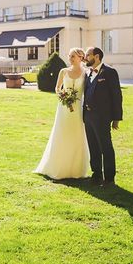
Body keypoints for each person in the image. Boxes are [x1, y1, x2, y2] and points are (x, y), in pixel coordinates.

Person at [34, 48, 90, 179]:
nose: (70, 59)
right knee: (62, 133)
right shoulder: (63, 71)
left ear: (81, 58)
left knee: (77, 135)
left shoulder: (86, 73)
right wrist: (64, 96)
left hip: (78, 109)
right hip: (64, 108)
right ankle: (58, 166)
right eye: (70, 56)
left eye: (73, 57)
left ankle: (76, 169)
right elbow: (57, 88)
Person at [83, 47, 123, 186]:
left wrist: (116, 118)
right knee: (93, 147)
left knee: (105, 147)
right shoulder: (88, 72)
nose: (85, 57)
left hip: (102, 117)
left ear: (97, 56)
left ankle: (109, 179)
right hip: (88, 116)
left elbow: (116, 96)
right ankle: (96, 175)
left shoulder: (110, 72)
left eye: (88, 55)